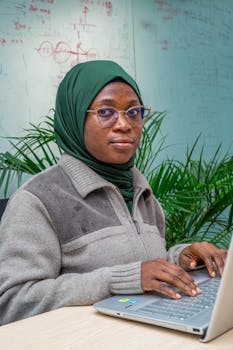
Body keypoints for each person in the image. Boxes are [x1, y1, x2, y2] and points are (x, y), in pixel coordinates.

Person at [0, 60, 227, 325]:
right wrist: (119, 280)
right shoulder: (38, 200)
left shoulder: (141, 191)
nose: (124, 124)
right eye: (106, 112)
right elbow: (11, 301)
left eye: (133, 112)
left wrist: (182, 258)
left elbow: (142, 267)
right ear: (74, 116)